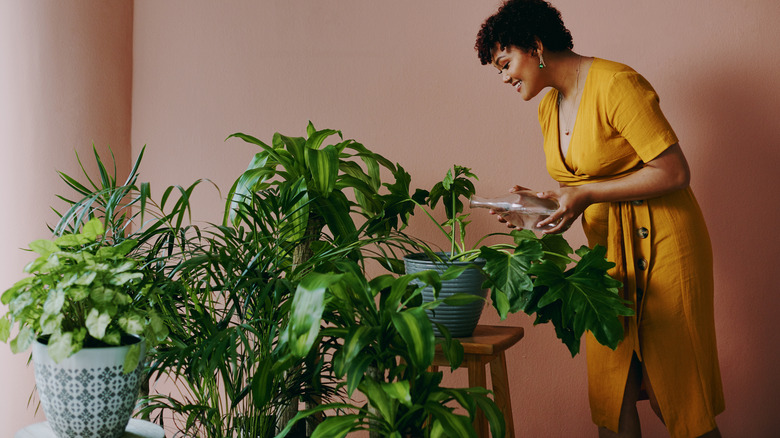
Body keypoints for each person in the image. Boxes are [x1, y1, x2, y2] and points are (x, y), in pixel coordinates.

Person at [474, 1, 725, 437]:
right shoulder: (547, 108)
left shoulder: (616, 83)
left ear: (535, 46)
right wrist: (542, 207)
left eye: (505, 62)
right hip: (608, 257)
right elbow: (584, 187)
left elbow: (674, 172)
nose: (504, 77)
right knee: (614, 393)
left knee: (679, 397)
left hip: (665, 246)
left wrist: (584, 194)